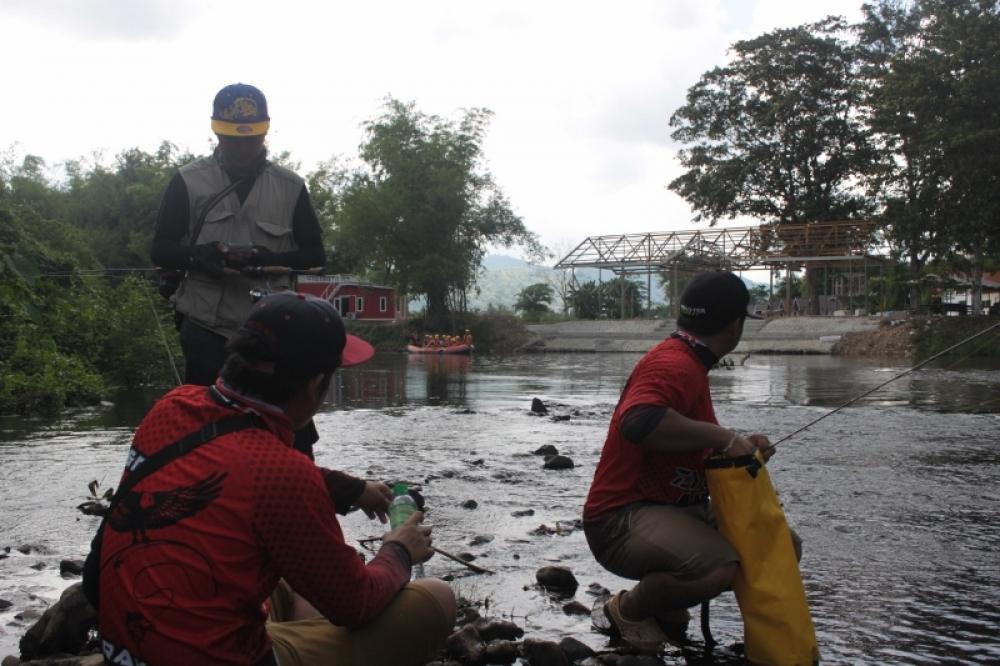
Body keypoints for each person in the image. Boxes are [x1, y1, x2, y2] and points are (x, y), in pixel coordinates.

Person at [96, 292, 456, 666]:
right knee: (437, 598)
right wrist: (399, 549)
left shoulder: (172, 407)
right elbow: (357, 604)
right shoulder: (282, 472)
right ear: (316, 385)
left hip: (127, 651)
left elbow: (235, 468)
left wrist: (354, 490)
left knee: (296, 570)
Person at [583, 270, 794, 653]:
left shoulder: (689, 362)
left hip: (673, 510)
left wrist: (739, 446)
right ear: (734, 326)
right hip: (619, 519)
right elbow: (639, 421)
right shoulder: (674, 364)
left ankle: (668, 605)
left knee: (780, 545)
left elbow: (681, 444)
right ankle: (628, 609)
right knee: (718, 566)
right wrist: (723, 437)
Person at [151, 83, 326, 387]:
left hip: (272, 328)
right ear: (217, 133)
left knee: (278, 424)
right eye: (234, 140)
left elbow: (315, 256)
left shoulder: (291, 186)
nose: (244, 149)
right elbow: (160, 250)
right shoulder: (186, 181)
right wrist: (202, 256)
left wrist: (267, 259)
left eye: (252, 139)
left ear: (264, 133)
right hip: (205, 324)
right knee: (207, 419)